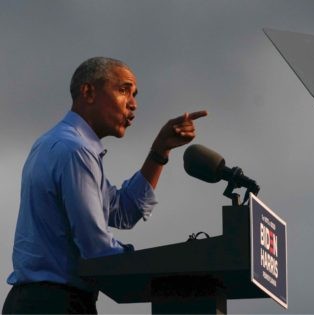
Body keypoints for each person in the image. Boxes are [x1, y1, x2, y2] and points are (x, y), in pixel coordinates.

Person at [2, 57, 207, 314]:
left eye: (134, 94)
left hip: (43, 300)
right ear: (88, 92)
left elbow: (123, 210)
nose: (133, 104)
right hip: (53, 303)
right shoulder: (74, 151)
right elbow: (96, 247)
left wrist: (160, 150)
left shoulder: (65, 144)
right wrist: (166, 268)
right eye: (123, 90)